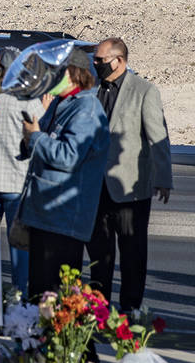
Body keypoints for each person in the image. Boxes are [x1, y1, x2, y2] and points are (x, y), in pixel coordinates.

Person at [86, 38, 172, 315]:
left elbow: (158, 136)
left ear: (118, 61)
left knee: (132, 252)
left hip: (130, 189)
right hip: (94, 188)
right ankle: (99, 312)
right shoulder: (90, 89)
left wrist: (163, 178)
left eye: (99, 59)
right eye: (95, 59)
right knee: (99, 254)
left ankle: (130, 310)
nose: (95, 63)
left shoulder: (144, 90)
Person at [18, 51, 110, 298]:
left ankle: (61, 336)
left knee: (57, 294)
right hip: (46, 214)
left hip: (63, 218)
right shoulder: (62, 103)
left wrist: (35, 137)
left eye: (55, 72)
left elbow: (69, 156)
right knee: (39, 291)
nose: (48, 78)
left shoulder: (86, 108)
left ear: (73, 74)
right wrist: (29, 139)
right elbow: (40, 142)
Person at [0, 49, 41, 296]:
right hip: (16, 182)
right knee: (20, 248)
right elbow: (39, 137)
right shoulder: (26, 101)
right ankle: (20, 296)